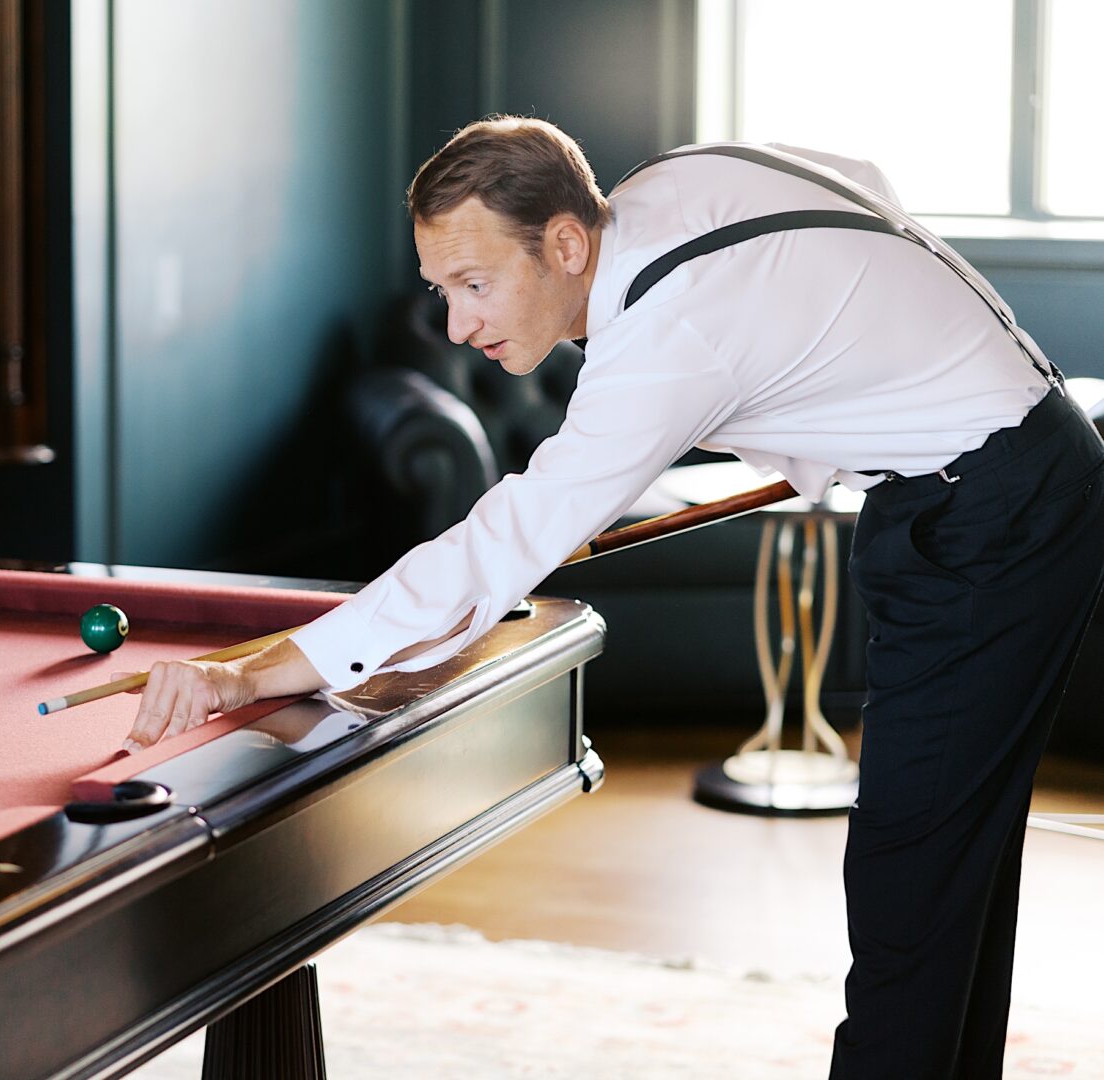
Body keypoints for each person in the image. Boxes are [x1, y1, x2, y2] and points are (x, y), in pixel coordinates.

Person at [120, 116, 1104, 1078]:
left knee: (910, 882)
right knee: (946, 865)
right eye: (440, 289)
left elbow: (493, 548)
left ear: (563, 242)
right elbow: (863, 182)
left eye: (474, 285)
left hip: (993, 515)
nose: (458, 324)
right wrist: (841, 405)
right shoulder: (671, 180)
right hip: (991, 483)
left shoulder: (664, 338)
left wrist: (250, 672)